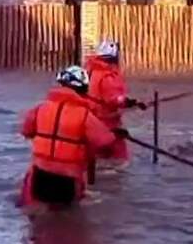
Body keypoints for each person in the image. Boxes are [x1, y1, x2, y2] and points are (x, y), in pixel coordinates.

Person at [20, 66, 120, 209]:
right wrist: (115, 134)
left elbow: (26, 131)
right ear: (82, 89)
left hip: (39, 175)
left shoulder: (39, 109)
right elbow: (105, 142)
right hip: (67, 179)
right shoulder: (85, 115)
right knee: (68, 221)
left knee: (39, 219)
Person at [84, 40, 146, 162]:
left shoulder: (91, 72)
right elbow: (113, 99)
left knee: (96, 155)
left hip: (92, 119)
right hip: (107, 121)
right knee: (119, 158)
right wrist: (129, 102)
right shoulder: (108, 75)